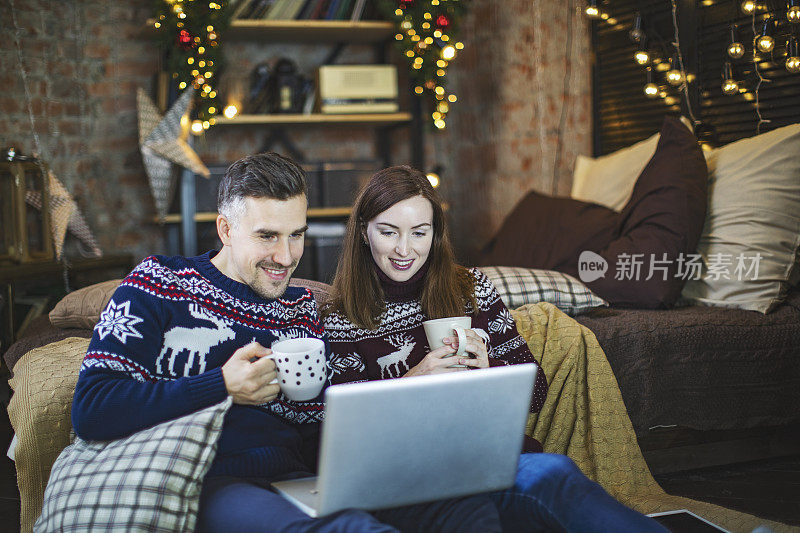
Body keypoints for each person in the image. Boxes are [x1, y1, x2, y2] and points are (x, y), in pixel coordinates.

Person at [71, 153, 502, 532]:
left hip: (305, 477)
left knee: (465, 509)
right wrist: (222, 386)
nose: (285, 256)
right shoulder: (159, 283)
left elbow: (329, 417)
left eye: (296, 234)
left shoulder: (302, 310)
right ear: (225, 228)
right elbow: (92, 408)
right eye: (267, 236)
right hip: (215, 482)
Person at [322, 165, 669, 532]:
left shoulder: (471, 288)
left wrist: (490, 372)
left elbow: (535, 393)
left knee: (556, 470)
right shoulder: (341, 317)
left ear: (435, 233)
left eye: (419, 233)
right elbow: (343, 432)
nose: (404, 249)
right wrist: (410, 380)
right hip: (412, 473)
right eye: (388, 232)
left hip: (487, 457)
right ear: (363, 232)